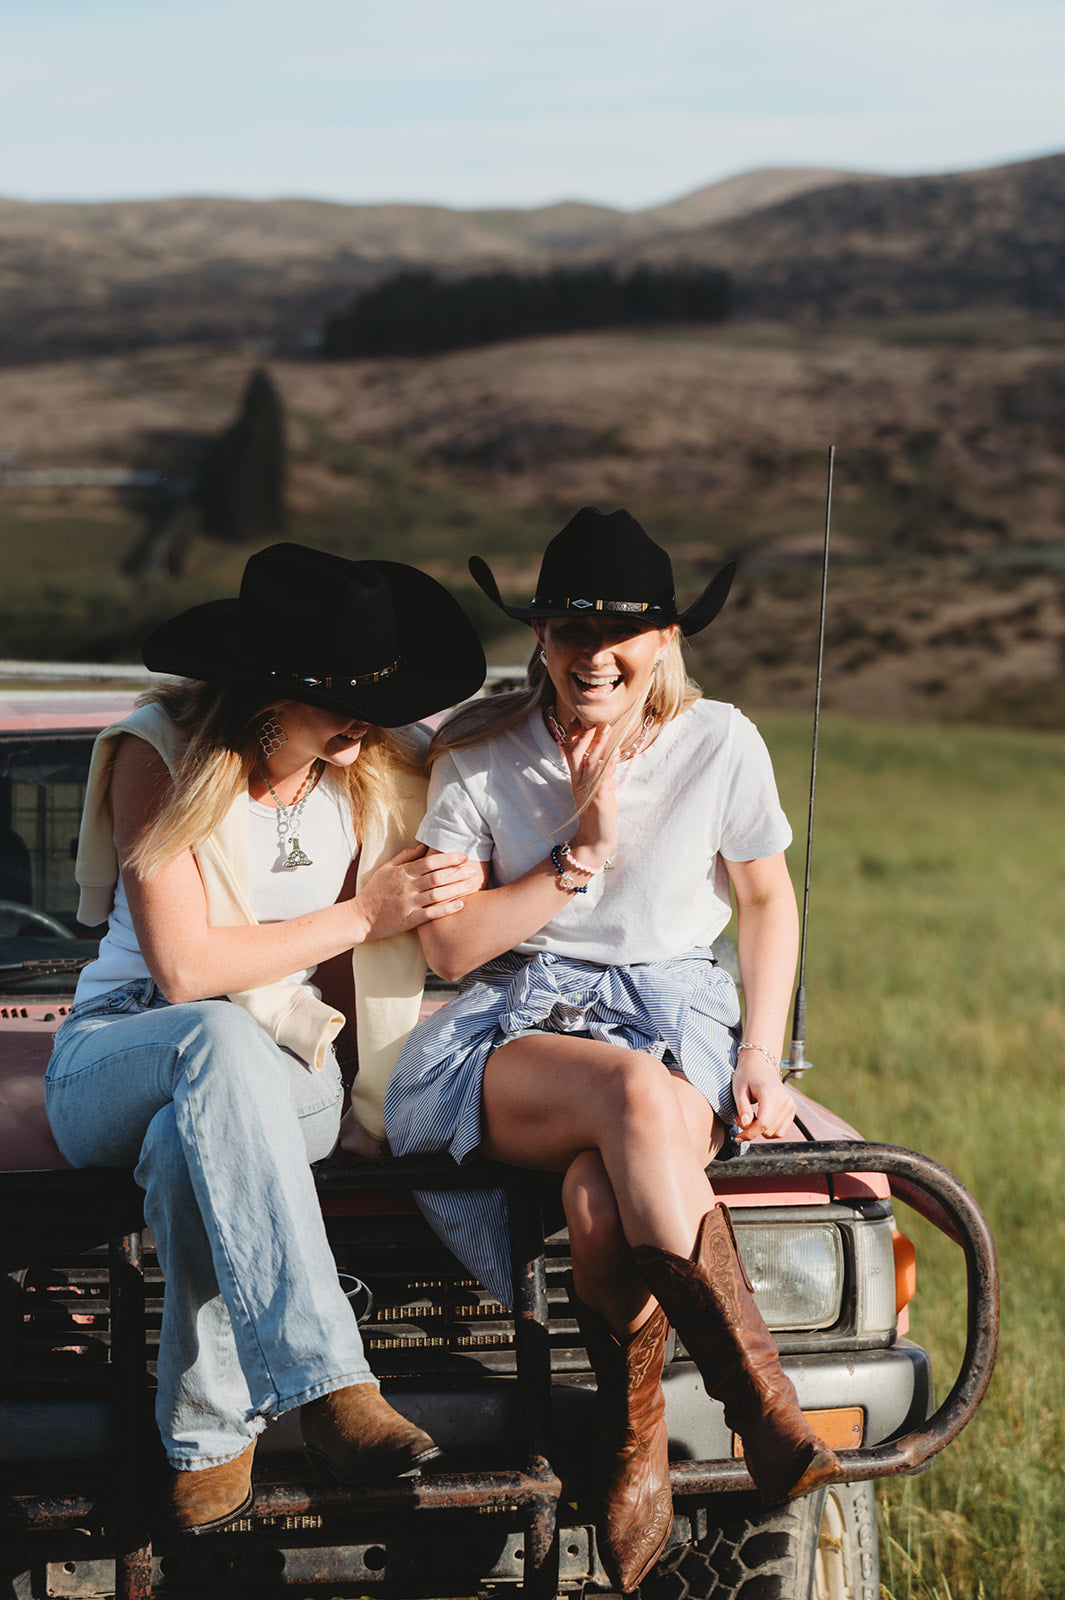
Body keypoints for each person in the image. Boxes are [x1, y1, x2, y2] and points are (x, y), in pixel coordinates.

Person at [383, 507, 842, 1592]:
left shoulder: (719, 740)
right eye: (567, 628)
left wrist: (763, 1049)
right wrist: (574, 861)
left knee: (601, 1199)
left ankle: (633, 1432)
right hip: (515, 1023)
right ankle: (761, 1409)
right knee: (633, 1103)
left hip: (676, 1011)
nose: (593, 654)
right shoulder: (482, 753)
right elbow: (448, 942)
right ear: (538, 636)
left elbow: (765, 896)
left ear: (669, 639)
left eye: (621, 631)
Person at [44, 543, 486, 1535]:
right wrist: (363, 916)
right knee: (213, 1039)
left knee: (187, 1143)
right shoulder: (158, 754)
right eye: (334, 696)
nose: (360, 718)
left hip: (290, 1062)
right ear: (268, 690)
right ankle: (328, 1386)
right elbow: (186, 971)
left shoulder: (375, 764)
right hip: (121, 1047)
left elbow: (501, 762)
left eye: (375, 694)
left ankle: (206, 1434)